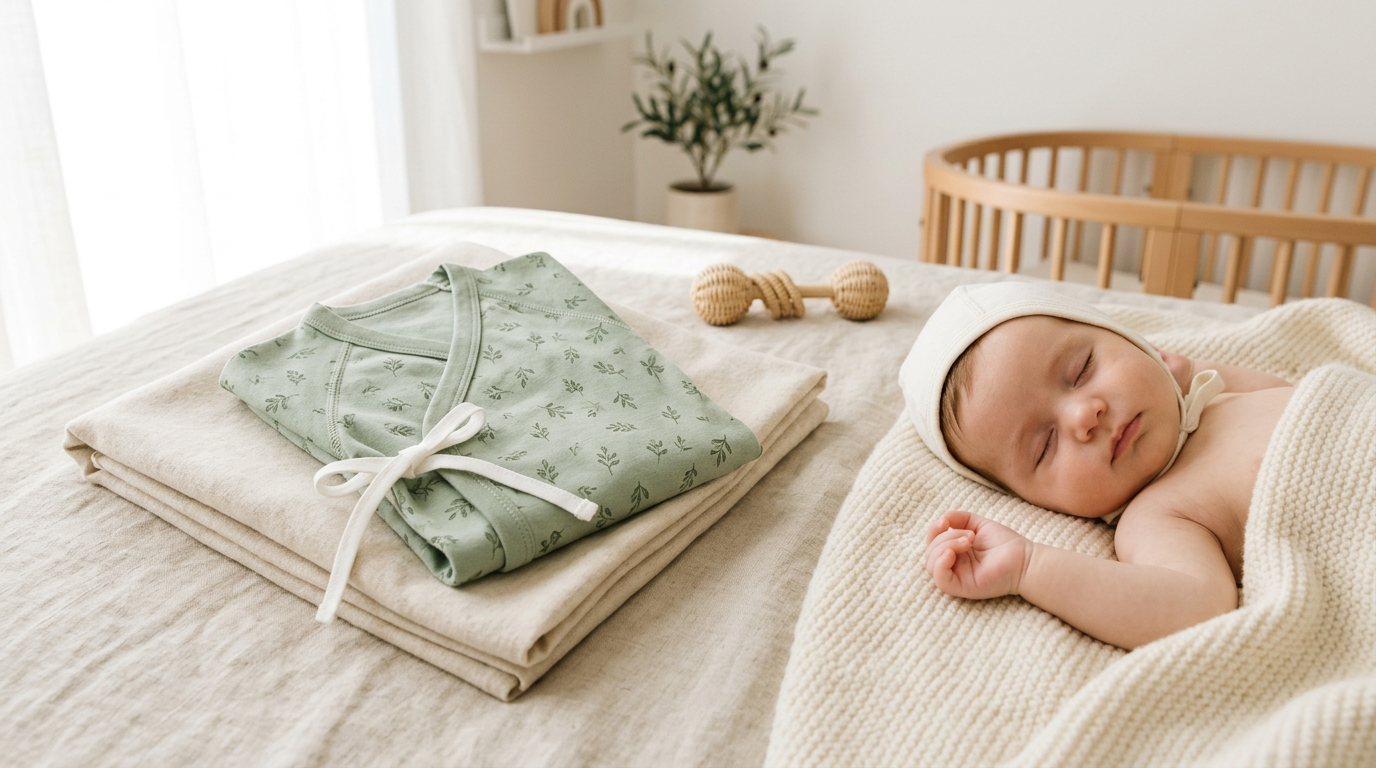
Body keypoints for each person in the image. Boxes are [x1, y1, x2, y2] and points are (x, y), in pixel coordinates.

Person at [898, 282, 1291, 650]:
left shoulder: (1217, 392)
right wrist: (1027, 566)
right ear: (1041, 504)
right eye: (1045, 445)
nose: (1085, 415)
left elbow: (1295, 393)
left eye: (1081, 369)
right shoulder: (1158, 515)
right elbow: (1199, 605)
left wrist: (1175, 370)